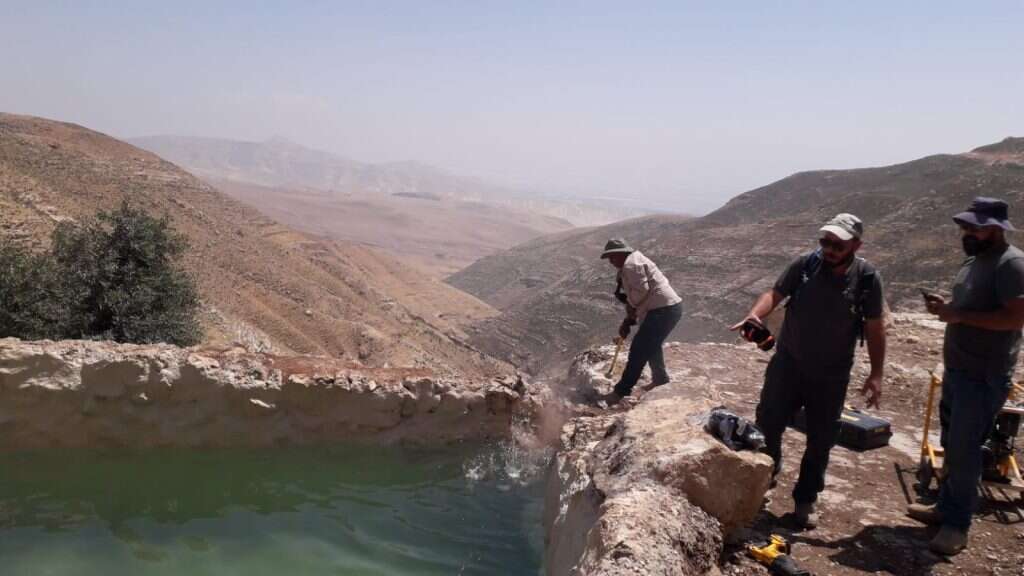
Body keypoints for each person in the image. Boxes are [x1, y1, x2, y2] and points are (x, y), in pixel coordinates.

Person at [732, 213, 886, 529]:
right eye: (825, 241)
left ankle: (805, 500)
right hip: (788, 363)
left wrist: (877, 374)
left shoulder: (868, 278)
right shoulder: (805, 264)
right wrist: (754, 316)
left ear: (856, 244)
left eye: (837, 244)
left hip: (831, 375)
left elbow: (874, 327)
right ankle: (766, 477)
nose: (828, 249)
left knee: (821, 439)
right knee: (768, 423)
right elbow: (775, 293)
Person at [907, 197, 1024, 556]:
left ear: (994, 229)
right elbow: (970, 307)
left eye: (973, 227)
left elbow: (1015, 319)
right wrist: (947, 307)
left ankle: (957, 526)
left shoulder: (1011, 264)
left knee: (966, 449)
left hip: (983, 374)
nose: (966, 232)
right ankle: (945, 507)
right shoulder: (976, 261)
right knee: (952, 445)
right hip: (958, 370)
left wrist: (959, 317)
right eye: (964, 226)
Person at [600, 238, 682, 404]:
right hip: (665, 308)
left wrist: (629, 318)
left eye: (612, 257)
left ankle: (621, 392)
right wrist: (629, 319)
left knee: (639, 349)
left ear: (622, 253)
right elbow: (637, 297)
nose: (610, 261)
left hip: (663, 310)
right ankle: (660, 379)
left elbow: (640, 293)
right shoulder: (631, 262)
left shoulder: (632, 265)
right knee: (651, 345)